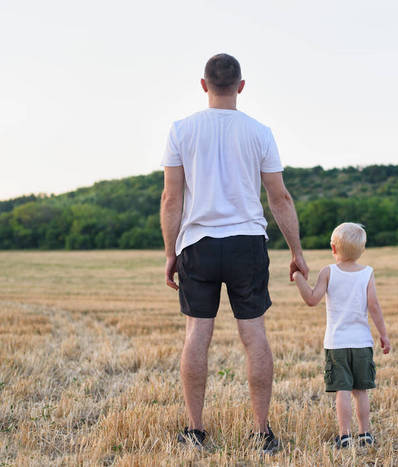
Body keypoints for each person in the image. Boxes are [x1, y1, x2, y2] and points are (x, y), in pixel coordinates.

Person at [160, 53, 309, 453]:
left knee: (197, 335)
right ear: (241, 86)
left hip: (198, 245)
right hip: (246, 243)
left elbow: (171, 199)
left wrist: (171, 252)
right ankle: (262, 433)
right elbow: (280, 197)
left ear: (204, 84)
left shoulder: (181, 130)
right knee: (254, 334)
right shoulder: (259, 132)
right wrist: (296, 251)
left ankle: (195, 431)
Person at [292, 222, 390, 449]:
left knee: (343, 392)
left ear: (333, 248)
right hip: (362, 343)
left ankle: (344, 436)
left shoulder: (328, 272)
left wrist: (298, 278)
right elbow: (374, 306)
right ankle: (365, 434)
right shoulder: (367, 273)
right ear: (362, 251)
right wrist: (383, 335)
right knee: (361, 391)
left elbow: (312, 300)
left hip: (337, 344)